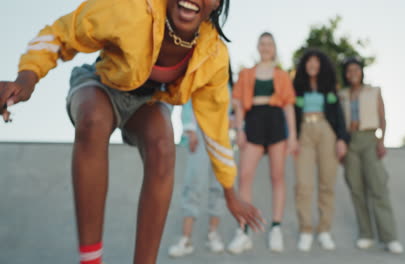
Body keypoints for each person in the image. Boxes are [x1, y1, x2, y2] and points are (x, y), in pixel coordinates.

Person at [0, 1, 264, 263]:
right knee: (93, 119)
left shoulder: (213, 54)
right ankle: (91, 259)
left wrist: (231, 193)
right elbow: (60, 33)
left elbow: (216, 128)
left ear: (217, 5)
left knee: (163, 147)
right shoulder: (131, 8)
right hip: (101, 85)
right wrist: (27, 78)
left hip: (148, 102)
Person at [228, 32, 298, 254]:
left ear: (274, 48)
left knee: (277, 176)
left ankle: (276, 228)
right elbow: (238, 104)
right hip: (254, 120)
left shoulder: (282, 75)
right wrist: (240, 130)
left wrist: (293, 136)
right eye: (262, 43)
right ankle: (244, 230)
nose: (266, 47)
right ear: (258, 47)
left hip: (276, 121)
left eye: (270, 44)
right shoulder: (246, 73)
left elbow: (288, 106)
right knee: (245, 175)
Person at [168, 65, 234, 257]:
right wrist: (190, 131)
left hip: (220, 139)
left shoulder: (226, 85)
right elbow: (187, 103)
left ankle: (213, 234)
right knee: (193, 184)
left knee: (219, 186)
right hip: (199, 135)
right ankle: (186, 239)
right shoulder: (196, 78)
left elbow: (228, 112)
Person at [340, 57, 404, 254]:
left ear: (361, 71)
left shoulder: (373, 91)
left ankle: (389, 237)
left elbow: (382, 117)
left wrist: (381, 140)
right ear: (345, 74)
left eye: (356, 70)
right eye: (349, 70)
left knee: (378, 187)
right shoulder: (341, 94)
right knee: (356, 189)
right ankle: (366, 234)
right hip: (350, 142)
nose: (353, 73)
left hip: (369, 139)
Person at [293, 49, 349, 251]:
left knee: (327, 183)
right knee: (303, 184)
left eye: (316, 62)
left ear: (322, 65)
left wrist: (342, 139)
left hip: (327, 131)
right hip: (304, 133)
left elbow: (339, 116)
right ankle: (306, 230)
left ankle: (324, 230)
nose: (312, 65)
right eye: (309, 62)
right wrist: (293, 137)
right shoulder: (297, 86)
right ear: (304, 65)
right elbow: (291, 113)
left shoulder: (329, 88)